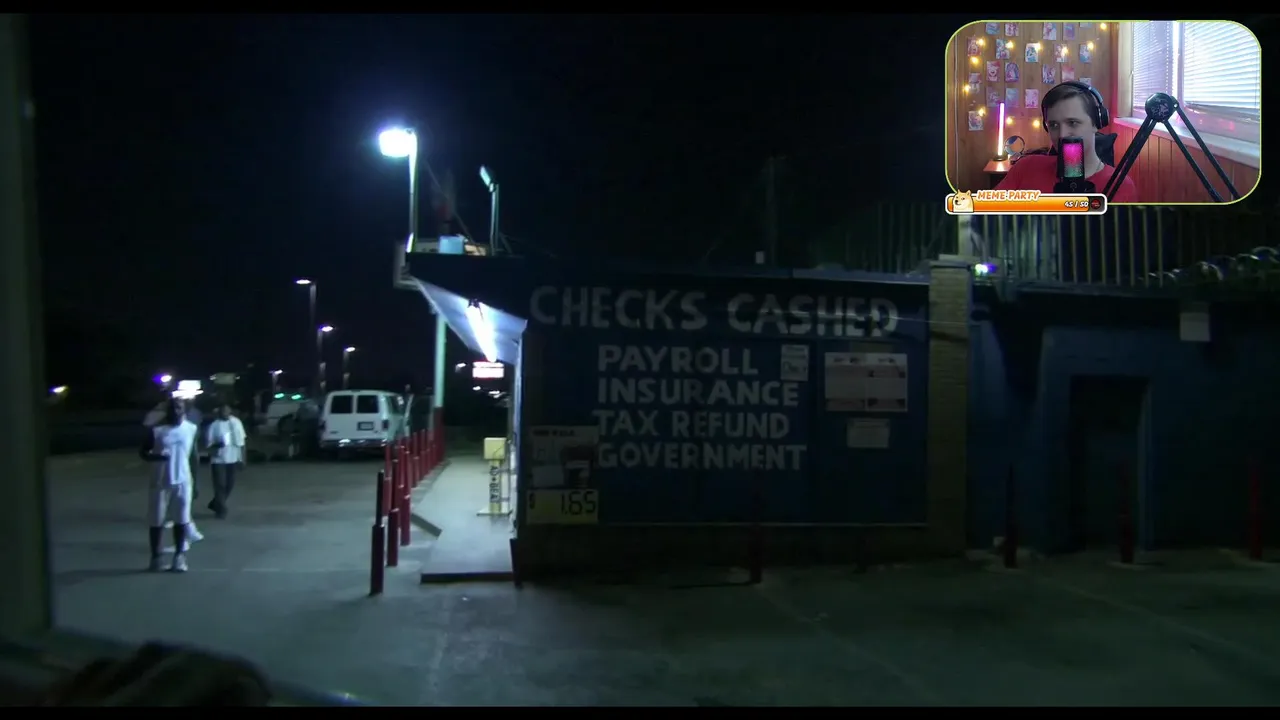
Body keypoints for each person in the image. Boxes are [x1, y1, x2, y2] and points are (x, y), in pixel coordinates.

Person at [996, 81, 1138, 202]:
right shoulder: (1026, 168)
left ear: (1096, 123)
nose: (1062, 135)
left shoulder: (1120, 187)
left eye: (1072, 123)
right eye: (1054, 125)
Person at [139, 397, 199, 572]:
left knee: (182, 519)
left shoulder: (191, 429)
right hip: (160, 482)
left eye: (179, 408)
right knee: (156, 520)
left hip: (183, 481)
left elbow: (193, 456)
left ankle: (179, 557)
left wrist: (195, 482)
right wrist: (157, 457)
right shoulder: (157, 431)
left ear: (184, 410)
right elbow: (143, 452)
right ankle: (156, 558)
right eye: (172, 408)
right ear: (167, 411)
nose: (175, 411)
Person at [206, 403, 247, 519]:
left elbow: (242, 442)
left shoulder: (236, 422)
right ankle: (221, 509)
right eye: (222, 411)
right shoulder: (214, 425)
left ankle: (216, 503)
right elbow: (208, 446)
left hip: (233, 458)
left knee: (230, 484)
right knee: (220, 484)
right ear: (219, 412)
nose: (225, 413)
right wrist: (217, 445)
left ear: (230, 411)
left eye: (227, 410)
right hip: (218, 460)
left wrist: (243, 458)